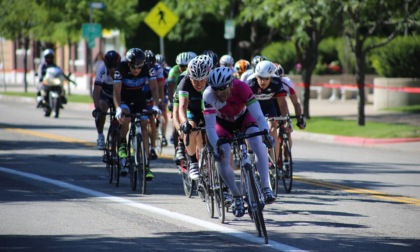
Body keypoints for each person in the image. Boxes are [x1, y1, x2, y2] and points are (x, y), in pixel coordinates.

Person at [203, 67, 276, 218]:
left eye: (223, 89)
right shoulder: (208, 95)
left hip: (244, 118)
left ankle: (265, 186)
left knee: (258, 143)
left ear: (231, 84)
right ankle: (236, 195)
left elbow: (259, 116)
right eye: (216, 90)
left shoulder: (242, 87)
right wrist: (217, 148)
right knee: (223, 156)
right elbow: (210, 127)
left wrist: (266, 133)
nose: (220, 94)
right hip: (223, 124)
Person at [113, 48, 161, 179]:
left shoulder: (147, 68)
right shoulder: (121, 68)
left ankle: (145, 165)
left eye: (139, 68)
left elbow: (154, 89)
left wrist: (156, 106)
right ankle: (122, 143)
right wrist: (118, 109)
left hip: (139, 99)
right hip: (124, 98)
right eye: (133, 67)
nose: (136, 70)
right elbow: (116, 92)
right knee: (126, 117)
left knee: (144, 124)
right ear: (128, 63)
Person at [246, 60, 290, 163]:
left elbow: (282, 103)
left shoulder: (276, 82)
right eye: (260, 78)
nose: (263, 81)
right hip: (253, 106)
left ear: (271, 77)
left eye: (266, 78)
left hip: (268, 106)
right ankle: (250, 152)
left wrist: (286, 119)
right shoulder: (250, 83)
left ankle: (274, 162)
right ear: (256, 76)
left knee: (273, 128)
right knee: (250, 128)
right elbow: (244, 106)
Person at [177, 55, 213, 180]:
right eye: (195, 80)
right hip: (193, 110)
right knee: (190, 130)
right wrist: (184, 123)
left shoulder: (213, 80)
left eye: (202, 80)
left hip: (210, 110)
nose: (199, 84)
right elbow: (182, 107)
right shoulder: (184, 83)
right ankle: (193, 163)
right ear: (190, 77)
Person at [273, 63, 306, 165]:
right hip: (271, 106)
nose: (277, 82)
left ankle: (286, 159)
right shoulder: (266, 83)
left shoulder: (287, 82)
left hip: (283, 107)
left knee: (288, 131)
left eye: (279, 79)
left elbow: (296, 103)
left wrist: (299, 119)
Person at [168, 52, 194, 163]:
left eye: (185, 66)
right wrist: (170, 101)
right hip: (178, 95)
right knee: (176, 124)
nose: (183, 68)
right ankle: (177, 149)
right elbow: (170, 88)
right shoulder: (173, 71)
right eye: (181, 66)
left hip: (192, 96)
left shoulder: (193, 72)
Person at [92, 50, 121, 150]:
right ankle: (100, 135)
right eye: (110, 67)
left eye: (115, 67)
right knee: (102, 109)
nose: (113, 69)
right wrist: (97, 108)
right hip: (105, 94)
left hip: (118, 94)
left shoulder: (122, 69)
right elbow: (96, 91)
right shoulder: (102, 70)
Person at [143, 50, 165, 160]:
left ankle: (152, 147)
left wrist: (160, 101)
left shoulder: (157, 69)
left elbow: (160, 87)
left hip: (152, 94)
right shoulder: (139, 67)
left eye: (151, 63)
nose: (149, 66)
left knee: (152, 119)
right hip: (141, 94)